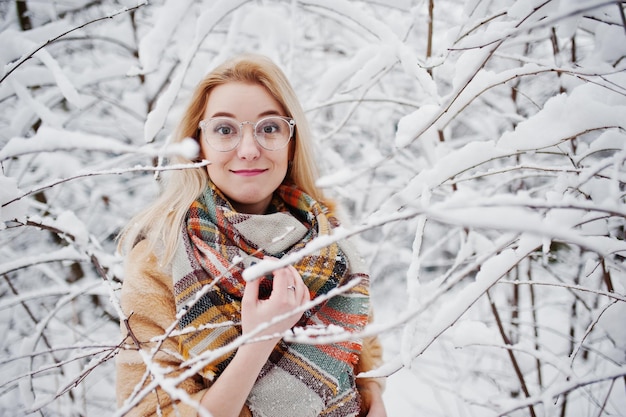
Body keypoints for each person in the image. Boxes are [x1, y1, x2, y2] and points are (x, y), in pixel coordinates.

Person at [115, 54, 387, 417]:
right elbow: (147, 412)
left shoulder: (329, 238)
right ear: (198, 144)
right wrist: (259, 340)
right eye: (225, 130)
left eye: (269, 128)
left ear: (292, 142)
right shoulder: (159, 259)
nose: (248, 150)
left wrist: (374, 396)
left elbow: (364, 353)